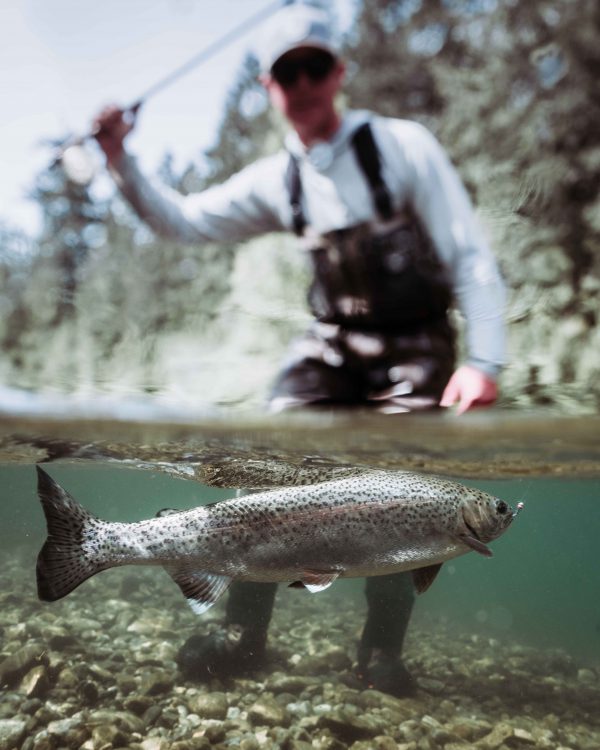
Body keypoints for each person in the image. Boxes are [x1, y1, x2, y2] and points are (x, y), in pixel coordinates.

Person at [93, 3, 506, 696]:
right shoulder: (278, 177)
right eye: (289, 71)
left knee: (401, 503)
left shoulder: (403, 146)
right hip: (331, 350)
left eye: (316, 65)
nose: (305, 81)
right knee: (268, 470)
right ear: (270, 86)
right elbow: (185, 223)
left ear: (339, 73)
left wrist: (483, 360)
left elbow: (468, 252)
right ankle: (241, 632)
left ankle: (380, 654)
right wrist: (119, 159)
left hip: (415, 349)